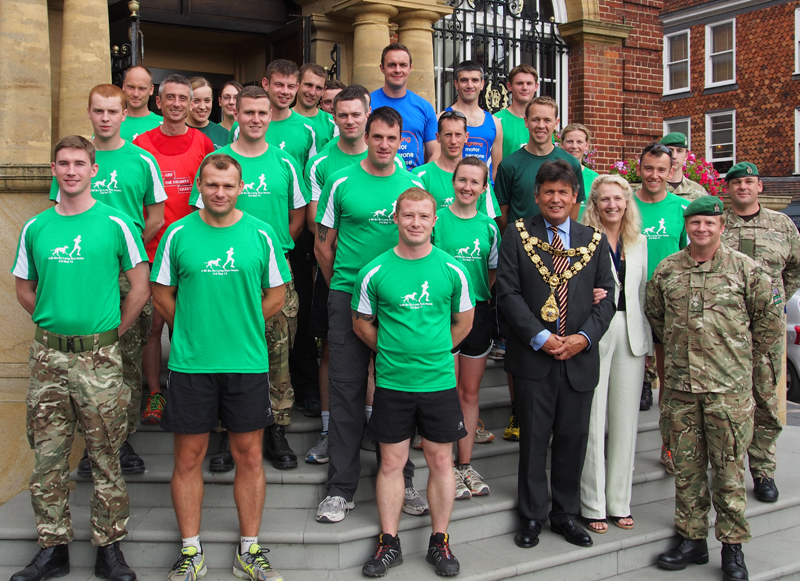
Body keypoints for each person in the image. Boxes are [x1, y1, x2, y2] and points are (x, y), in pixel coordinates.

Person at [10, 135, 150, 581]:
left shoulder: (117, 224)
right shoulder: (36, 228)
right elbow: (24, 289)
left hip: (100, 361)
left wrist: (110, 333)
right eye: (63, 163)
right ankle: (53, 547)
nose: (71, 171)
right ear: (54, 170)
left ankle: (110, 547)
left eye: (79, 163)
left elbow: (140, 288)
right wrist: (57, 326)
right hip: (48, 359)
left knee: (105, 453)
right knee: (48, 458)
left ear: (94, 170)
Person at [152, 154, 291, 581]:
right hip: (192, 365)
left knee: (249, 456)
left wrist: (241, 325)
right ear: (199, 185)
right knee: (188, 458)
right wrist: (193, 328)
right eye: (212, 184)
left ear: (240, 187)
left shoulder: (261, 234)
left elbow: (278, 294)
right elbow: (161, 294)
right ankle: (191, 552)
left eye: (228, 186)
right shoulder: (177, 234)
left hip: (245, 363)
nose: (220, 192)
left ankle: (249, 550)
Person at [646, 195, 783, 581]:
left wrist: (734, 358)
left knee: (727, 471)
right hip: (680, 389)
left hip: (728, 391)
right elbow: (656, 315)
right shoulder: (668, 270)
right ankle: (692, 540)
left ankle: (733, 548)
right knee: (687, 470)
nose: (701, 229)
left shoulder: (747, 271)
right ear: (686, 227)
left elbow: (769, 325)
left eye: (709, 223)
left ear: (721, 226)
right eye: (695, 223)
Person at [314, 106, 427, 523]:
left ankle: (404, 479)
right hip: (347, 298)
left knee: (396, 393)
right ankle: (340, 489)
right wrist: (344, 286)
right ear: (366, 133)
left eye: (391, 139)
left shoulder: (411, 186)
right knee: (345, 391)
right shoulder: (340, 181)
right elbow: (323, 246)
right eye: (376, 136)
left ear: (402, 141)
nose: (383, 145)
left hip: (397, 303)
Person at [355, 188, 474, 578]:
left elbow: (464, 322)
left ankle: (439, 541)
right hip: (393, 383)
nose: (416, 223)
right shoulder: (374, 271)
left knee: (441, 460)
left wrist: (434, 352)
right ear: (396, 218)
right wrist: (394, 352)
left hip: (438, 382)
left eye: (423, 216)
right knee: (391, 462)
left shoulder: (452, 269)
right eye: (408, 216)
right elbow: (362, 325)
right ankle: (389, 543)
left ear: (434, 220)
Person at [48, 84, 167, 477]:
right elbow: (60, 214)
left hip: (127, 273)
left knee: (126, 358)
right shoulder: (74, 161)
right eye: (98, 111)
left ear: (124, 114)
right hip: (82, 272)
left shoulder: (142, 160)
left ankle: (124, 439)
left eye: (112, 111)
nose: (105, 118)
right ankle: (90, 449)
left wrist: (126, 252)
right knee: (82, 368)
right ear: (89, 113)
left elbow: (156, 216)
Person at [496, 159, 615, 550]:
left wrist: (583, 338)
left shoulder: (593, 240)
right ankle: (531, 516)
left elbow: (607, 298)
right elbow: (508, 293)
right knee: (532, 439)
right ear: (537, 195)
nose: (556, 198)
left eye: (564, 191)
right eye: (549, 191)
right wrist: (541, 337)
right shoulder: (516, 234)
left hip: (579, 358)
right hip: (534, 358)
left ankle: (564, 514)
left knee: (573, 438)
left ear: (576, 197)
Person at [189, 85, 308, 471]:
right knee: (227, 355)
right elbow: (200, 218)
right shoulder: (216, 162)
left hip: (273, 276)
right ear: (234, 114)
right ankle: (226, 431)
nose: (256, 119)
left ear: (271, 116)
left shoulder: (285, 162)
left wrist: (275, 248)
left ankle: (276, 427)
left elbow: (297, 218)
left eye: (262, 112)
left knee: (277, 355)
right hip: (223, 279)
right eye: (248, 112)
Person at [134, 74, 215, 431]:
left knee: (194, 323)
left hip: (193, 252)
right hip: (151, 248)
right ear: (159, 102)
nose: (178, 104)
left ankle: (198, 393)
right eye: (171, 98)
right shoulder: (141, 143)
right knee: (153, 326)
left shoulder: (204, 143)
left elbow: (213, 198)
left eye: (185, 97)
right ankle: (155, 392)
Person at [721, 162, 800, 503]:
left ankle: (764, 470)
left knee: (766, 399)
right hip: (725, 326)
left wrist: (777, 298)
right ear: (728, 189)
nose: (743, 188)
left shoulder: (782, 224)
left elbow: (796, 267)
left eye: (749, 182)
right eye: (737, 183)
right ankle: (728, 467)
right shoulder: (718, 224)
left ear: (760, 187)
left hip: (767, 329)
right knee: (726, 400)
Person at [578, 175, 651, 534]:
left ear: (627, 202)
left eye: (618, 199)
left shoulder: (639, 241)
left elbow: (642, 293)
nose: (611, 205)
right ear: (595, 203)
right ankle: (592, 502)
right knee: (593, 420)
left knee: (625, 422)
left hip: (631, 333)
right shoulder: (582, 238)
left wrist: (650, 342)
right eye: (604, 199)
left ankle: (619, 500)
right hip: (594, 331)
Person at [431, 157, 499, 499]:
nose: (467, 187)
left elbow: (491, 273)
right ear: (453, 182)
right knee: (447, 391)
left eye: (475, 182)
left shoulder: (489, 227)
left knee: (469, 393)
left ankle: (465, 464)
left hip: (478, 314)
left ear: (484, 188)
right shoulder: (437, 220)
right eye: (462, 180)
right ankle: (445, 468)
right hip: (442, 315)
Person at [633, 142, 688, 473]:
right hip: (629, 300)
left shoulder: (682, 209)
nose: (654, 175)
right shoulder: (625, 205)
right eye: (649, 168)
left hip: (668, 304)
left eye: (661, 170)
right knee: (625, 378)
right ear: (639, 169)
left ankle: (669, 446)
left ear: (672, 171)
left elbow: (689, 258)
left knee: (670, 380)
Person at [495, 96, 584, 234]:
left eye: (547, 120)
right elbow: (502, 215)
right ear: (526, 121)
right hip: (521, 246)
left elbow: (574, 207)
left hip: (558, 244)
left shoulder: (571, 164)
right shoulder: (509, 165)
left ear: (556, 123)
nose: (541, 126)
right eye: (535, 119)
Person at [227, 60, 317, 166]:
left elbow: (309, 175)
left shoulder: (308, 128)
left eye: (290, 86)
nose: (285, 91)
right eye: (279, 85)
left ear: (297, 87)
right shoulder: (240, 126)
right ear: (265, 84)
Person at [413, 110, 501, 218]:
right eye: (448, 135)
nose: (453, 141)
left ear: (466, 137)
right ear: (438, 137)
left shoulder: (479, 175)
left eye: (458, 134)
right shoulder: (421, 176)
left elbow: (488, 222)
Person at [370, 43, 439, 169]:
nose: (397, 70)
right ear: (382, 68)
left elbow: (434, 153)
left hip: (412, 184)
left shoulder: (425, 108)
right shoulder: (367, 104)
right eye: (392, 65)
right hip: (375, 179)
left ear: (410, 68)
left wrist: (420, 179)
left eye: (403, 65)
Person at [441, 60, 503, 181]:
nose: (470, 85)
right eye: (464, 80)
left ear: (482, 84)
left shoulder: (495, 123)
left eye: (475, 80)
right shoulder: (441, 119)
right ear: (456, 84)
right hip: (450, 191)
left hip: (483, 194)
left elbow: (496, 171)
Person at [494, 64, 539, 159]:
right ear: (509, 86)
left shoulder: (542, 123)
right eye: (519, 83)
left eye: (529, 83)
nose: (525, 88)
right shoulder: (496, 120)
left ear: (536, 87)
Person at [293, 63, 337, 151]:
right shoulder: (280, 119)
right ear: (297, 84)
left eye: (318, 88)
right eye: (308, 85)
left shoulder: (333, 123)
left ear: (323, 91)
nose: (312, 92)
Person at [560, 123, 599, 221]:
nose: (574, 146)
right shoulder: (553, 175)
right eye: (569, 141)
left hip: (586, 232)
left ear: (586, 145)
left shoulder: (595, 179)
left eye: (579, 142)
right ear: (562, 144)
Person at [659, 132, 707, 202]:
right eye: (670, 150)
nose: (674, 156)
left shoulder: (699, 191)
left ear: (686, 156)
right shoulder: (649, 189)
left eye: (679, 151)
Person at [119, 66, 162, 141]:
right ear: (123, 86)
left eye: (141, 88)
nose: (135, 94)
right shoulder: (110, 122)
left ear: (151, 89)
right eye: (131, 87)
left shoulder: (163, 125)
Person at [187, 77, 229, 149]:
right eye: (196, 101)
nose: (202, 107)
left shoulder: (224, 134)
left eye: (207, 100)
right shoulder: (177, 131)